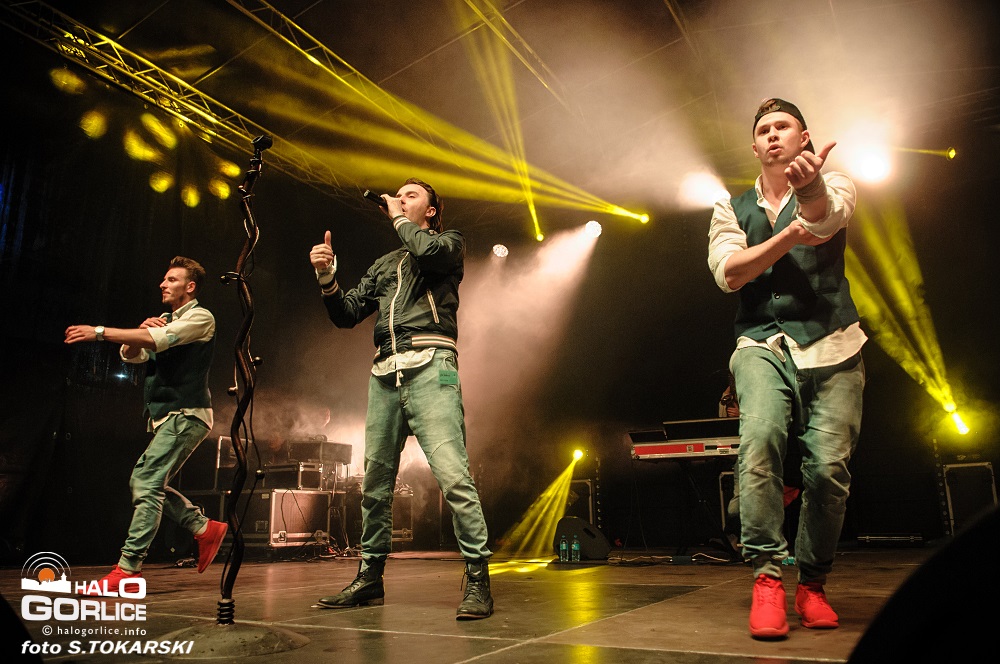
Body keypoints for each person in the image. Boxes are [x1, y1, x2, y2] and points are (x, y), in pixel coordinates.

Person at [707, 98, 866, 639]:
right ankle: (767, 579)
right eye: (764, 130)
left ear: (804, 137)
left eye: (783, 126)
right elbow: (730, 273)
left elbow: (827, 219)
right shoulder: (729, 207)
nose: (773, 135)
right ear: (754, 147)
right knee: (759, 444)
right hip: (761, 342)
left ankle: (812, 585)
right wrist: (789, 235)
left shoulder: (834, 182)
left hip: (834, 344)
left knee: (829, 470)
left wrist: (810, 190)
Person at [308, 178, 493, 620]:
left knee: (454, 477)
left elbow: (427, 252)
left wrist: (396, 217)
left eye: (411, 195)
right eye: (398, 195)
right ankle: (370, 578)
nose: (400, 199)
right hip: (384, 372)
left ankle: (478, 580)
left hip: (432, 366)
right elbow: (347, 314)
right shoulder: (385, 263)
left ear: (431, 211)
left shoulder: (448, 243)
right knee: (374, 485)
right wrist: (327, 277)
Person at [65, 256, 228, 592]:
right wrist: (138, 334)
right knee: (147, 483)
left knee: (145, 481)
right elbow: (133, 355)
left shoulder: (201, 318)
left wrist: (99, 333)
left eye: (171, 280)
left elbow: (158, 341)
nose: (163, 284)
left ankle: (128, 570)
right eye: (164, 279)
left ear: (190, 287)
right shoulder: (164, 320)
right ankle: (202, 527)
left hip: (187, 414)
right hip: (168, 416)